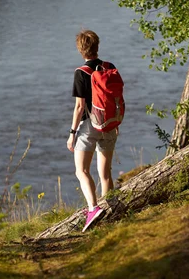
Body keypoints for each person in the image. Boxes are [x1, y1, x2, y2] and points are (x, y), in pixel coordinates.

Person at [67, 29, 118, 232]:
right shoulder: (109, 67)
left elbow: (80, 107)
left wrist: (72, 133)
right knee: (105, 174)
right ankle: (112, 210)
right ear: (97, 46)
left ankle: (93, 208)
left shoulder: (81, 73)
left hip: (89, 126)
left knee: (82, 170)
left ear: (80, 50)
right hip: (110, 123)